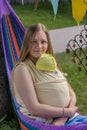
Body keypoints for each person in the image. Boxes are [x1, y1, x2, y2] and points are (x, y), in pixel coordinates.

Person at [11, 23, 87, 126]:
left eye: (43, 42)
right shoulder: (22, 69)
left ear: (48, 44)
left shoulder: (50, 63)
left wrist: (64, 116)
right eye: (34, 41)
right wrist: (66, 113)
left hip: (65, 119)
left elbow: (71, 94)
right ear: (26, 43)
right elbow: (34, 109)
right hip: (46, 123)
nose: (39, 46)